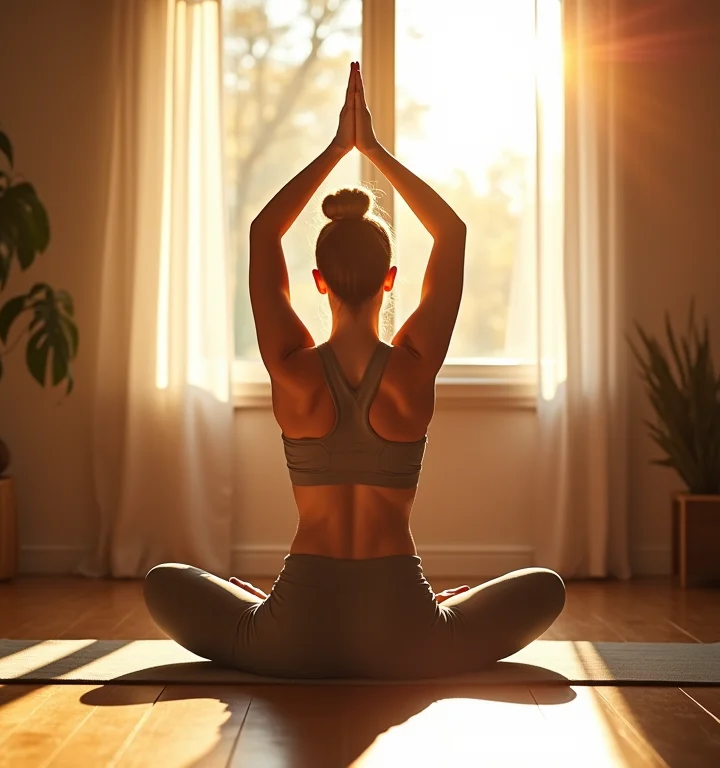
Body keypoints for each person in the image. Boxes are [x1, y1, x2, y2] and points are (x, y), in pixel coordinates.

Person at [144, 62, 565, 679]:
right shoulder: (413, 371)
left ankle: (260, 611)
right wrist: (373, 150)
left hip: (291, 638)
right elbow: (451, 230)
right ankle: (435, 617)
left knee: (164, 583)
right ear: (391, 279)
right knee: (546, 586)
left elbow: (264, 234)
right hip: (409, 638)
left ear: (316, 282)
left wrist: (335, 149)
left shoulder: (293, 371)